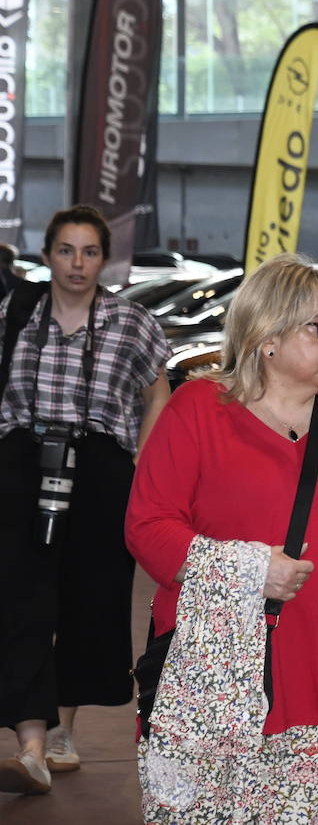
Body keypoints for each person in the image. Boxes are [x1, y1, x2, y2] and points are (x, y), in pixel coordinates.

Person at [124, 253, 318, 822]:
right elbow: (148, 527)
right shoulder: (197, 411)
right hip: (207, 682)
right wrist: (252, 569)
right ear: (268, 337)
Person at [0, 205, 172, 795]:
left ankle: (61, 733)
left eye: (90, 251)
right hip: (21, 463)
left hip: (100, 470)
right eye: (66, 250)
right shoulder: (15, 312)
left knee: (88, 601)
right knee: (21, 598)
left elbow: (159, 395)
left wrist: (141, 467)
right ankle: (29, 741)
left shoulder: (132, 322)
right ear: (47, 254)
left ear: (105, 258)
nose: (77, 263)